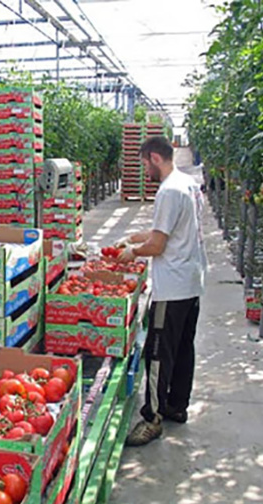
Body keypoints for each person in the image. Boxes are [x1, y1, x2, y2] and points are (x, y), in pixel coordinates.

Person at [117, 136, 207, 446]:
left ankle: (152, 417)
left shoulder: (168, 191)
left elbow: (158, 244)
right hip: (192, 280)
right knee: (183, 348)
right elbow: (168, 229)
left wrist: (133, 252)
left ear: (155, 158)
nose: (144, 171)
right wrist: (133, 237)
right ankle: (176, 406)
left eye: (144, 164)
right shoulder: (187, 183)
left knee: (157, 354)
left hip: (173, 285)